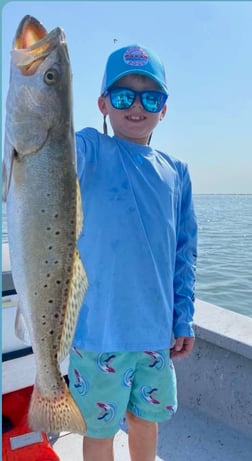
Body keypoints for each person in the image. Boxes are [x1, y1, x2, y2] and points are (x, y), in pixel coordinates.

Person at [68, 44, 197, 461]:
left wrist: (183, 317)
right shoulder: (89, 150)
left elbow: (184, 253)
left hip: (155, 336)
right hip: (96, 334)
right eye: (124, 95)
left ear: (164, 108)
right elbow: (50, 151)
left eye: (150, 97)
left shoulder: (176, 172)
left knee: (145, 422)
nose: (136, 106)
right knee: (99, 430)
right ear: (103, 104)